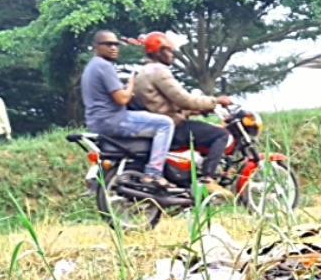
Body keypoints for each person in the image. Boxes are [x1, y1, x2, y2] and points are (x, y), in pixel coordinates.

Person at [133, 32, 233, 191]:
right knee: (221, 135)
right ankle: (208, 179)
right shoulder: (158, 71)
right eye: (169, 51)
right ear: (159, 51)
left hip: (157, 124)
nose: (173, 55)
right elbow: (184, 99)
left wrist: (197, 111)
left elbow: (166, 104)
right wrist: (215, 101)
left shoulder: (142, 72)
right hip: (173, 127)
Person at [80, 29, 174, 182]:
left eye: (116, 44)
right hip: (114, 120)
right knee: (165, 123)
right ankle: (154, 172)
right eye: (108, 44)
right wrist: (131, 83)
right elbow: (122, 99)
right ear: (96, 47)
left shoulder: (91, 67)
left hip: (95, 122)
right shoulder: (104, 66)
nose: (113, 48)